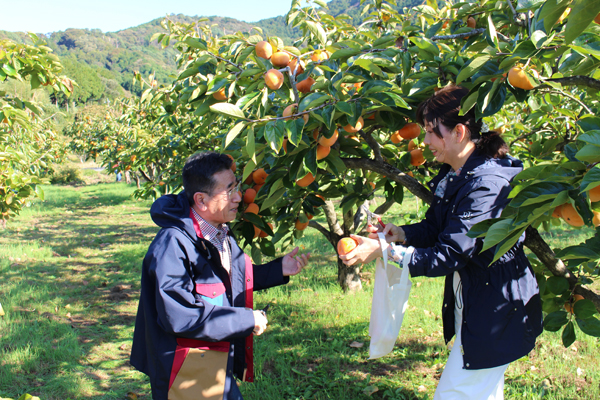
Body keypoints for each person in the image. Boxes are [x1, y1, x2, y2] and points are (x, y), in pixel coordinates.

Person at [339, 86, 543, 399]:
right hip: (478, 304)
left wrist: (384, 251)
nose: (424, 141)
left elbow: (449, 255)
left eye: (431, 132)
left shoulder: (485, 186)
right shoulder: (457, 173)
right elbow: (437, 227)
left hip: (496, 313)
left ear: (458, 132)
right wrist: (402, 234)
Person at [130, 152, 310, 400]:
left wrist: (279, 269)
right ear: (201, 200)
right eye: (229, 191)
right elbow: (180, 316)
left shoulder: (218, 232)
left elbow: (230, 278)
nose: (238, 197)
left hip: (215, 359)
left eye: (236, 187)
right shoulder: (173, 245)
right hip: (185, 370)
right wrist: (246, 319)